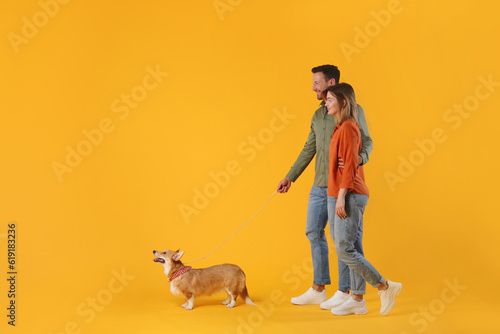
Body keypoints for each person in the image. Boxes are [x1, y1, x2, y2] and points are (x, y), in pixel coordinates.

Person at [276, 65, 373, 309]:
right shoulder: (318, 115)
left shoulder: (352, 111)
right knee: (313, 232)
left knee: (341, 239)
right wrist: (291, 176)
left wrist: (358, 160)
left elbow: (367, 142)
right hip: (319, 186)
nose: (313, 88)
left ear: (331, 83)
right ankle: (319, 287)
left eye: (317, 83)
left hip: (340, 187)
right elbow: (309, 147)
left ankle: (344, 290)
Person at [324, 83, 402, 316]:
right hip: (348, 193)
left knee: (344, 248)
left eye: (329, 99)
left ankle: (385, 286)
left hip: (350, 194)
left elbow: (350, 165)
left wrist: (340, 196)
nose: (326, 103)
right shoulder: (340, 127)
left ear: (343, 102)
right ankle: (357, 299)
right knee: (353, 246)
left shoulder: (348, 128)